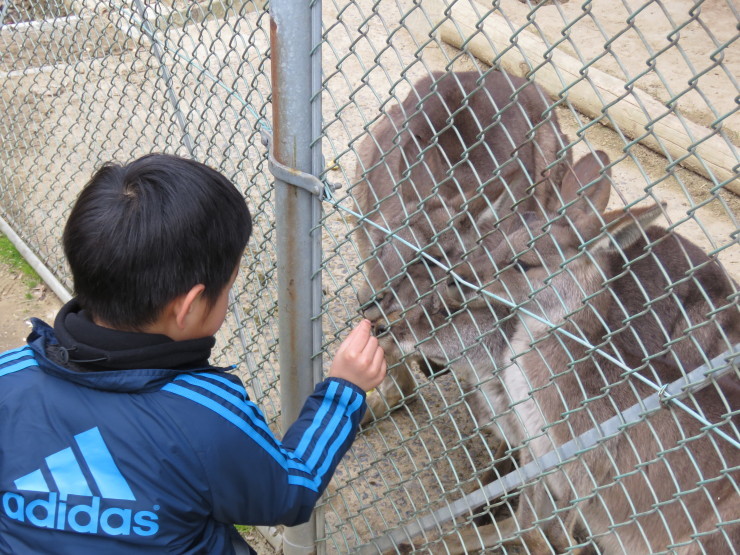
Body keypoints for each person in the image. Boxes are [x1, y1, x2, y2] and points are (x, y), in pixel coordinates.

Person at [0, 154, 386, 554]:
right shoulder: (205, 417)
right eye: (229, 284)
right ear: (188, 307)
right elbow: (292, 489)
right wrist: (343, 392)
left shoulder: (7, 378)